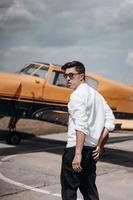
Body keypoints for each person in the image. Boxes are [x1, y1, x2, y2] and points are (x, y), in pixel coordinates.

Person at [60, 61, 115, 200]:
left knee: (69, 192)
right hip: (91, 152)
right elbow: (110, 122)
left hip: (75, 149)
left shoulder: (77, 95)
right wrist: (100, 145)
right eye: (65, 75)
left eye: (71, 75)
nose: (67, 79)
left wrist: (77, 153)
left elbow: (81, 125)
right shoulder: (97, 96)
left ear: (81, 76)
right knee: (90, 193)